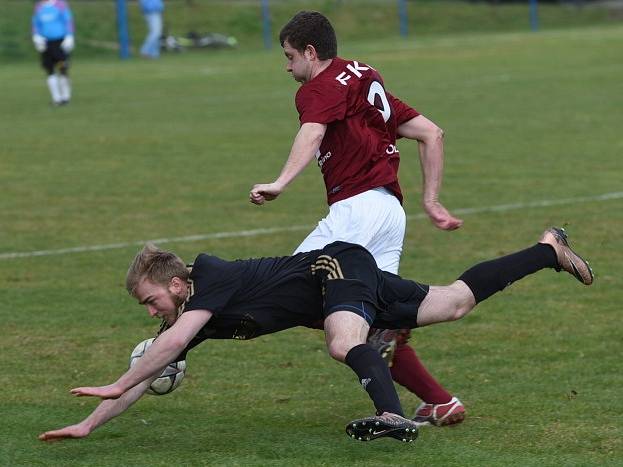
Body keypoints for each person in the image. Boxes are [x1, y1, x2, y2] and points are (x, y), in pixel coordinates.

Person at [38, 227, 593, 443]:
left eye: (150, 300)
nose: (150, 311)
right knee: (453, 303)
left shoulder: (210, 277)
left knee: (340, 339)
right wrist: (90, 422)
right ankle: (547, 250)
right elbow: (160, 358)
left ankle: (394, 414)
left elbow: (166, 349)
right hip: (349, 277)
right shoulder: (190, 316)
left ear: (177, 282)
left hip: (334, 267)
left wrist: (116, 382)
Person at [249, 11, 465, 426]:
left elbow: (312, 133)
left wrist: (280, 182)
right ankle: (439, 401)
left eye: (290, 56)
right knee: (366, 312)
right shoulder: (363, 75)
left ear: (311, 53)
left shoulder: (318, 86)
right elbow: (431, 133)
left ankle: (179, 343)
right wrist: (432, 201)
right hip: (389, 212)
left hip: (356, 213)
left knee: (295, 290)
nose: (287, 66)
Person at [31, 0, 74, 106]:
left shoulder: (60, 4)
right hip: (46, 43)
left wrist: (69, 36)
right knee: (49, 69)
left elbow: (67, 20)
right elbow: (36, 23)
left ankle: (65, 97)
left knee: (62, 68)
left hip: (60, 42)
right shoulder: (39, 6)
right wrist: (36, 36)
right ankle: (56, 98)